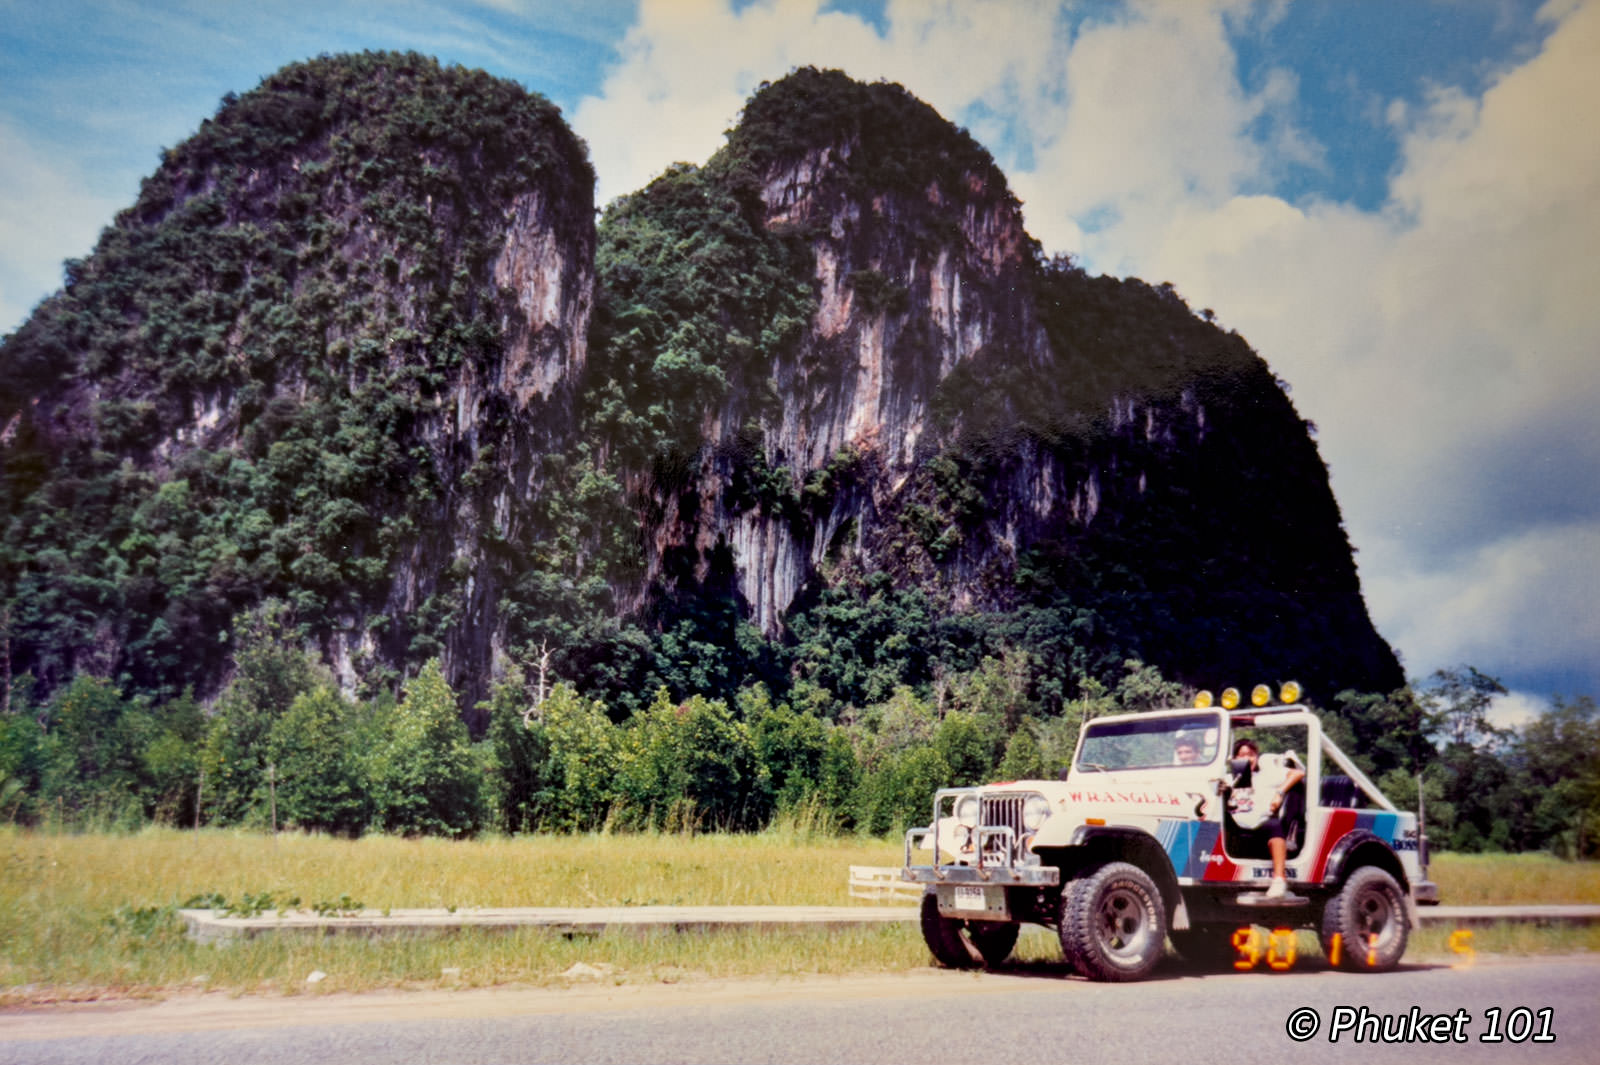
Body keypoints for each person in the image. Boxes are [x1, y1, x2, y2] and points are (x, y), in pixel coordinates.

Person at [1229, 738, 1305, 899]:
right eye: (1242, 755)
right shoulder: (1229, 778)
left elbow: (1298, 773)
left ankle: (1279, 880)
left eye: (1251, 755)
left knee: (1273, 825)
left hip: (1261, 822)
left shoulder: (1268, 774)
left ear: (1256, 757)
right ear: (1234, 759)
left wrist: (1280, 792)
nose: (1247, 759)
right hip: (1235, 823)